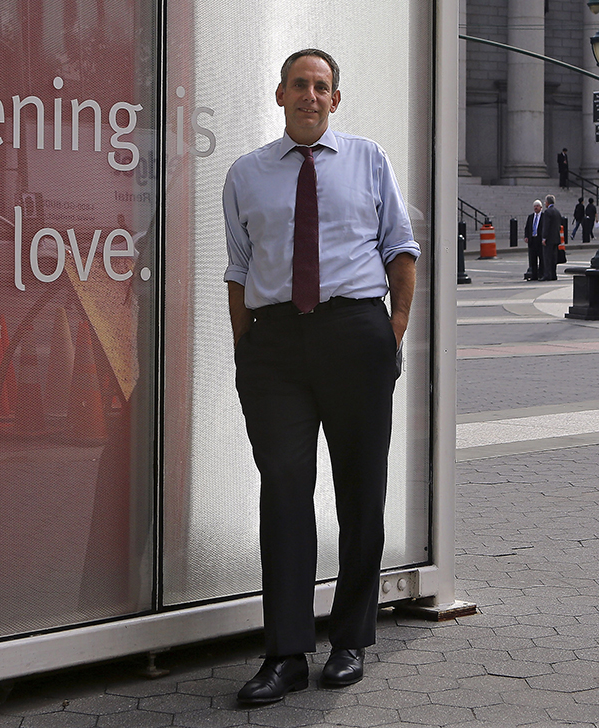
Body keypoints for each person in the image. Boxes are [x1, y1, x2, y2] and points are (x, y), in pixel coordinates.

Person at [223, 49, 419, 705]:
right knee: (284, 489)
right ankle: (284, 654)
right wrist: (245, 347)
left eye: (322, 86)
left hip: (355, 333)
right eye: (300, 84)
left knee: (359, 489)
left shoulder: (368, 160)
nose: (311, 94)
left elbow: (401, 249)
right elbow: (239, 269)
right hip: (275, 346)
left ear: (336, 99)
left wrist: (391, 331)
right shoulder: (246, 174)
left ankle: (350, 640)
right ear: (280, 94)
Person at [540, 194, 563, 281]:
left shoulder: (547, 212)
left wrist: (544, 237)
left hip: (549, 239)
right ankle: (553, 274)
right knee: (554, 258)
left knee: (547, 258)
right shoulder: (557, 212)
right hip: (556, 238)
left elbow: (546, 226)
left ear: (547, 202)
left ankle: (547, 274)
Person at [524, 200, 544, 281]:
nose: (536, 207)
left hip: (540, 240)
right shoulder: (531, 217)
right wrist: (526, 236)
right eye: (535, 206)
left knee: (541, 258)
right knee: (533, 259)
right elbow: (527, 228)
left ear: (541, 207)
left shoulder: (543, 216)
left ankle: (541, 274)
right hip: (532, 240)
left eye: (537, 206)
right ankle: (534, 275)